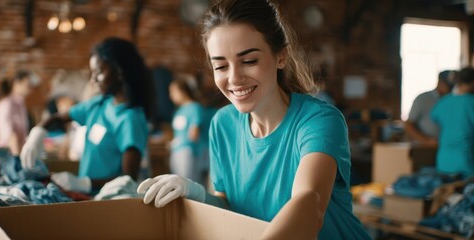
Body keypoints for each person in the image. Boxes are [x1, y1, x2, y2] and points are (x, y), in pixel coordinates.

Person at [136, 0, 371, 239]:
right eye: (220, 66)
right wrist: (197, 194)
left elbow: (310, 201)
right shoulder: (222, 124)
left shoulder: (318, 120)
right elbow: (232, 209)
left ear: (281, 56)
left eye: (249, 61)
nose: (234, 78)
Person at [21, 37, 154, 194]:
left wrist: (84, 183)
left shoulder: (130, 119)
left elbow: (128, 179)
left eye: (98, 72)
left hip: (109, 203)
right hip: (88, 198)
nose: (93, 80)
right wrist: (37, 134)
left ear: (120, 72)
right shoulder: (100, 104)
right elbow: (57, 118)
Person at [431, 67, 474, 177]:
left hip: (444, 160)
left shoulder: (445, 101)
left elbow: (434, 116)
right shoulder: (470, 101)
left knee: (449, 192)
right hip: (465, 160)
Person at [168, 75, 204, 182]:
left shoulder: (195, 108)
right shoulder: (179, 111)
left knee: (188, 185)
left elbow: (194, 134)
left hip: (188, 153)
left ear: (182, 91)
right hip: (176, 152)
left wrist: (179, 142)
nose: (171, 96)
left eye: (173, 92)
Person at [406, 70, 456, 146]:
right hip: (424, 147)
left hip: (445, 147)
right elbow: (409, 125)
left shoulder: (453, 100)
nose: (450, 89)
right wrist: (426, 141)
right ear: (440, 82)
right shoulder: (423, 99)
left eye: (452, 86)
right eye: (447, 85)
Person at [0, 70, 33, 156]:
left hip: (19, 152)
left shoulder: (21, 105)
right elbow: (9, 136)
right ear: (17, 83)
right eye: (27, 84)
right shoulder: (6, 104)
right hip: (8, 155)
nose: (30, 87)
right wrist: (17, 158)